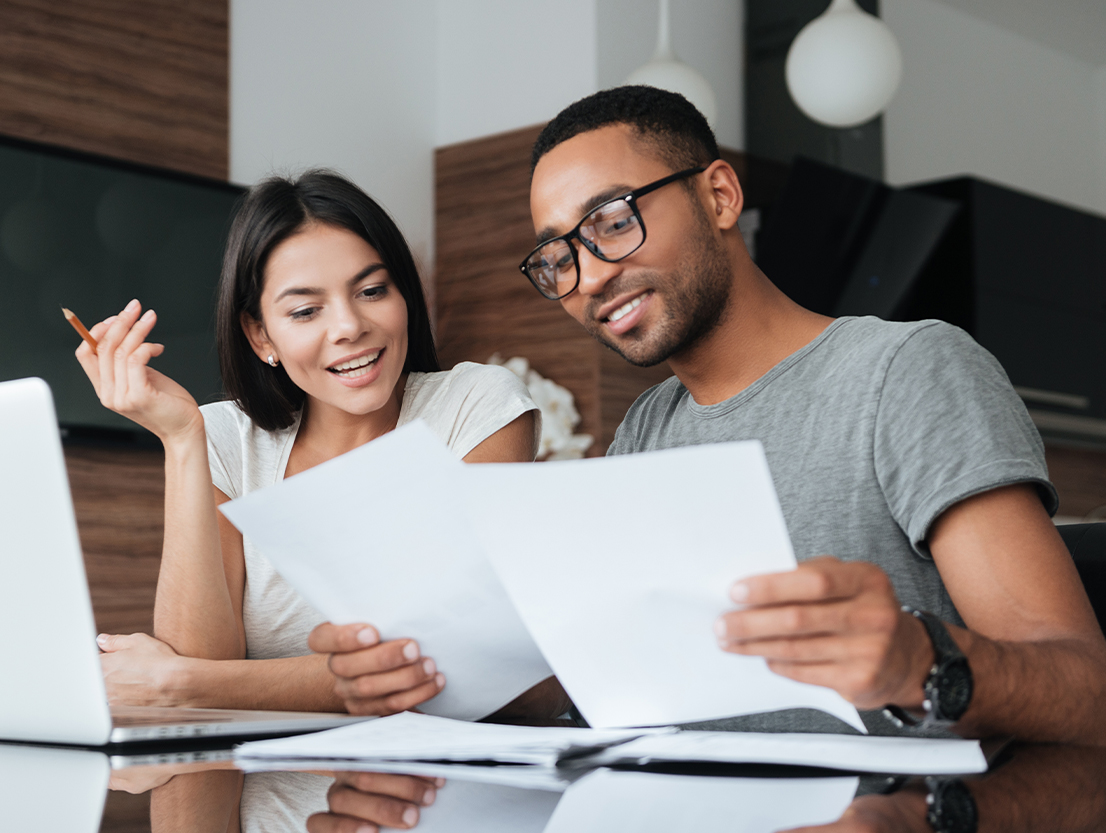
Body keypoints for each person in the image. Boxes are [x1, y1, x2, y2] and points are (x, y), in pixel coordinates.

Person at [321, 85, 1106, 743]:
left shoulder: (906, 372)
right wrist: (421, 674)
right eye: (559, 257)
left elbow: (1084, 687)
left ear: (720, 195)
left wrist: (917, 659)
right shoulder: (645, 430)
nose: (588, 277)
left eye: (612, 221)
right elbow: (611, 681)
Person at [73, 170, 547, 719]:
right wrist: (181, 440)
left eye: (372, 291)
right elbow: (201, 659)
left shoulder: (476, 407)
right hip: (252, 796)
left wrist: (181, 683)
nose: (349, 326)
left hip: (429, 792)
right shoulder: (227, 437)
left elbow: (450, 665)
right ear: (260, 336)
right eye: (305, 310)